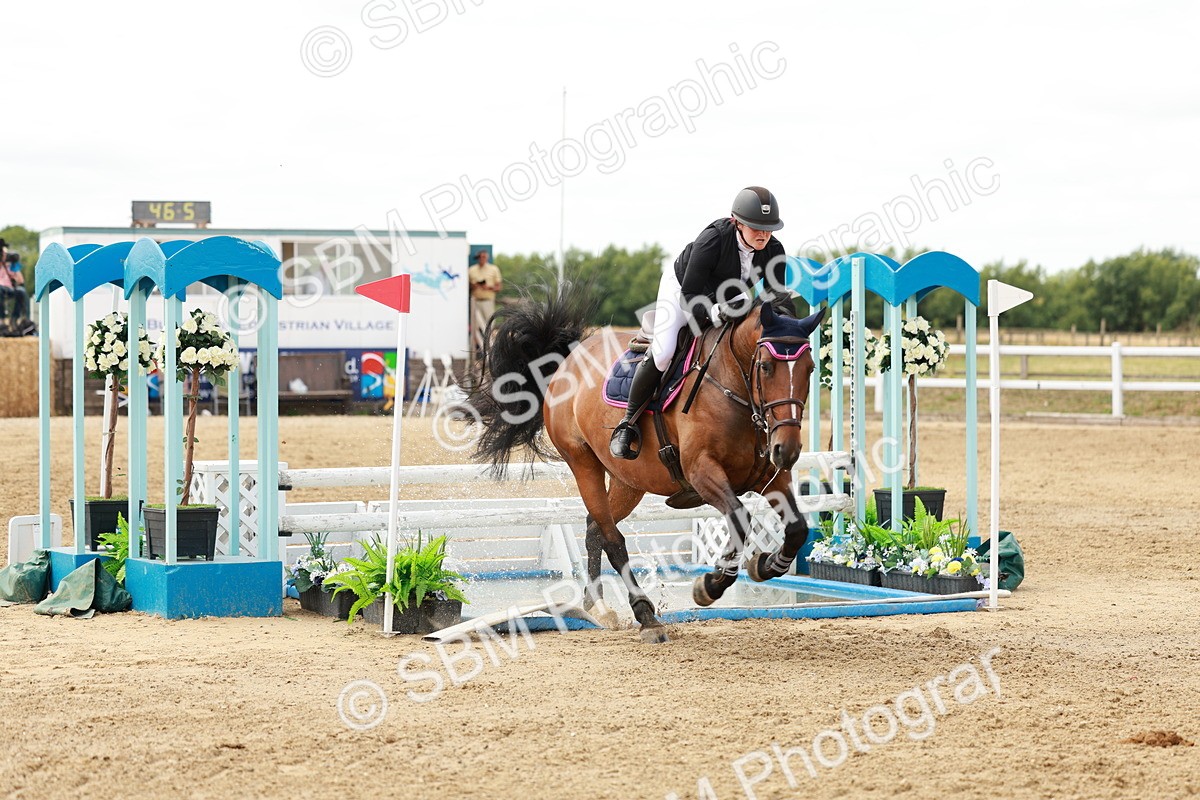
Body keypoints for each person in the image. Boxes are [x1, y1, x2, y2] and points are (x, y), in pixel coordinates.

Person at [609, 186, 796, 460]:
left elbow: (777, 296)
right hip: (684, 289)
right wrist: (717, 311)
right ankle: (627, 423)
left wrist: (789, 326)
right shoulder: (713, 239)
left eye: (768, 228)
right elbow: (689, 297)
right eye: (756, 227)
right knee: (663, 353)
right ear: (737, 222)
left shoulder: (774, 249)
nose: (763, 234)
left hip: (730, 293)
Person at [468, 249, 503, 332]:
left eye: (484, 256)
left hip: (488, 301)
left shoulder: (494, 269)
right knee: (475, 325)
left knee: (489, 324)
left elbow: (499, 287)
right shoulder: (471, 270)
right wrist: (474, 285)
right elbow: (466, 286)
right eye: (480, 256)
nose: (482, 258)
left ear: (487, 257)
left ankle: (490, 344)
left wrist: (488, 287)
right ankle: (476, 345)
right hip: (475, 301)